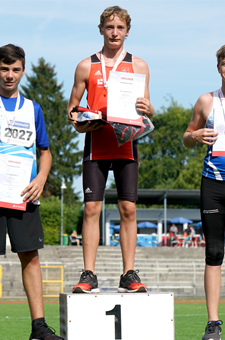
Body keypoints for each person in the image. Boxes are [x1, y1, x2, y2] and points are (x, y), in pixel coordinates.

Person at [67, 6, 154, 293]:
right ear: (101, 30)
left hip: (127, 144)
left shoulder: (139, 65)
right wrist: (81, 122)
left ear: (127, 31)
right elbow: (72, 109)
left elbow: (147, 108)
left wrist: (148, 108)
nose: (114, 33)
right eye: (109, 27)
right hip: (96, 145)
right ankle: (88, 274)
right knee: (92, 208)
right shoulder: (85, 65)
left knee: (128, 208)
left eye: (119, 28)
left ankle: (129, 273)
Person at [0, 44, 63, 340]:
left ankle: (38, 327)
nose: (9, 75)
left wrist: (41, 178)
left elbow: (45, 152)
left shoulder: (32, 108)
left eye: (15, 70)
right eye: (4, 69)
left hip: (23, 195)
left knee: (31, 257)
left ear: (23, 71)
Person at [183, 44, 225, 340]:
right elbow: (186, 137)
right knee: (214, 252)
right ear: (219, 67)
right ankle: (213, 323)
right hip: (212, 183)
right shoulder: (206, 101)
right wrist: (195, 135)